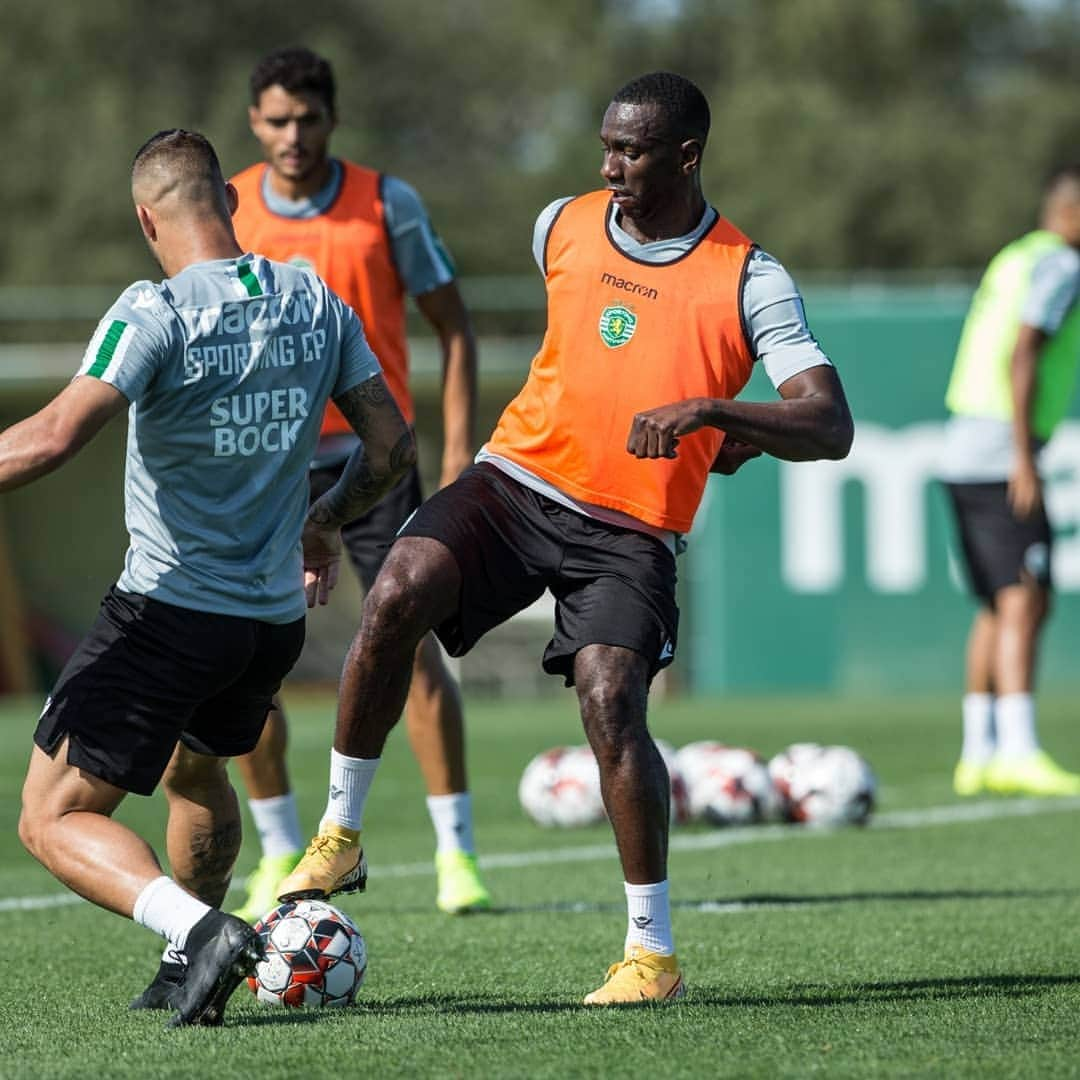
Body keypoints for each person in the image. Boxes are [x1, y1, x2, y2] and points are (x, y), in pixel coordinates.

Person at [276, 71, 854, 1004]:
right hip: (515, 483)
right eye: (605, 144)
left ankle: (650, 956)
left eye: (630, 150)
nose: (608, 165)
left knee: (610, 699)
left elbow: (830, 423)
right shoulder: (561, 225)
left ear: (687, 156)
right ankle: (339, 837)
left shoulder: (751, 276)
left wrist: (717, 414)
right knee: (394, 593)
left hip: (631, 530)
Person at [6, 129, 414, 1026]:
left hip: (166, 610)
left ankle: (199, 931)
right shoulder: (317, 299)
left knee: (49, 817)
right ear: (229, 201)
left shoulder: (153, 311)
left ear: (145, 218)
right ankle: (182, 961)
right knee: (198, 775)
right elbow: (391, 448)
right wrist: (323, 521)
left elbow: (50, 437)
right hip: (268, 620)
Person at [225, 46, 488, 921]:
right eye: (276, 120)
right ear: (255, 125)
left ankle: (457, 854)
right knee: (244, 660)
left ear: (331, 120)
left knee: (406, 649)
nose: (293, 135)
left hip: (374, 462)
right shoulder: (225, 210)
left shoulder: (387, 203)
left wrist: (456, 456)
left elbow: (455, 329)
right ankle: (275, 850)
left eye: (308, 118)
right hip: (268, 464)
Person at [941, 165, 1080, 798]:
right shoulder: (1060, 265)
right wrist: (1025, 456)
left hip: (967, 442)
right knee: (1025, 596)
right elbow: (1023, 353)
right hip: (1001, 448)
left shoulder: (1017, 255)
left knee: (1001, 601)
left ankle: (979, 753)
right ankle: (1017, 749)